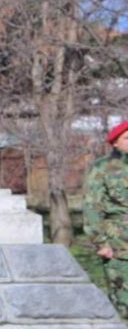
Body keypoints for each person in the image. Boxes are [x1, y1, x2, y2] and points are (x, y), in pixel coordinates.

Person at [83, 119, 128, 318]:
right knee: (124, 303)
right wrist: (101, 242)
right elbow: (92, 207)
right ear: (115, 143)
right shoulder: (102, 168)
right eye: (127, 138)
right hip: (120, 244)